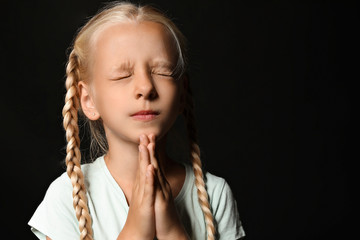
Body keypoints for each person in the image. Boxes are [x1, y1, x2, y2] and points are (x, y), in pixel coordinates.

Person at [28, 2, 245, 240]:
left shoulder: (215, 194)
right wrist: (136, 230)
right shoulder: (67, 196)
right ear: (89, 100)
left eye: (162, 71)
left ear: (182, 94)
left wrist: (173, 231)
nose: (145, 87)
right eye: (123, 75)